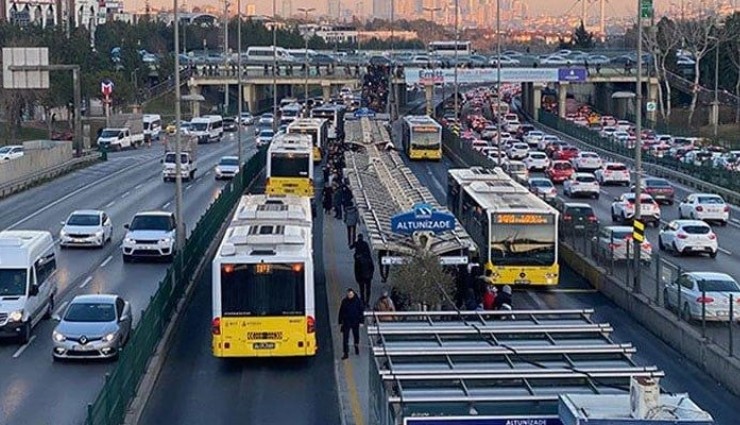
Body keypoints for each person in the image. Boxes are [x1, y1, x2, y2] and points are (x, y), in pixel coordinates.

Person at [338, 288, 364, 359]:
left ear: (353, 294)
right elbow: (341, 311)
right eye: (348, 294)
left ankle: (356, 346)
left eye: (351, 294)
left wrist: (361, 321)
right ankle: (345, 352)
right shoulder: (344, 301)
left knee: (356, 335)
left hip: (355, 321)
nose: (349, 295)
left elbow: (361, 312)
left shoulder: (358, 301)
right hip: (346, 322)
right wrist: (340, 321)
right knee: (345, 338)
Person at [352, 234, 375, 305]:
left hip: (361, 276)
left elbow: (356, 269)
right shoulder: (368, 258)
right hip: (368, 277)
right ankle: (367, 301)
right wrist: (371, 275)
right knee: (368, 289)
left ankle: (362, 300)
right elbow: (372, 267)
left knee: (362, 289)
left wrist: (357, 277)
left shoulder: (358, 260)